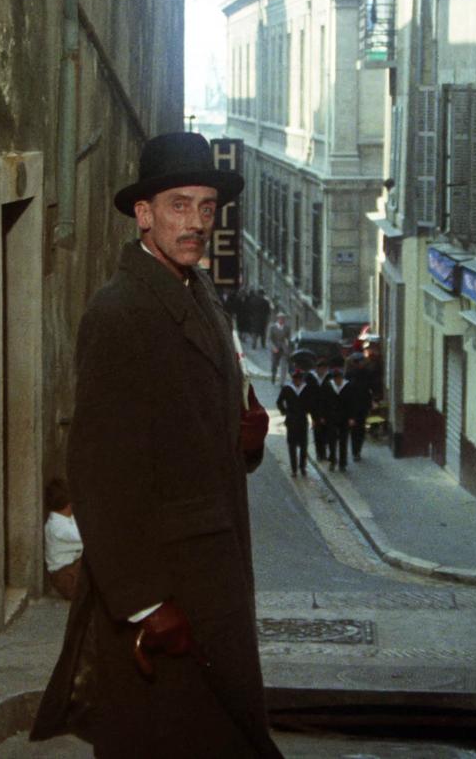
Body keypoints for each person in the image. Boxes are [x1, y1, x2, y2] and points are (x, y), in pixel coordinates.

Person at [30, 132, 282, 759]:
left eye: (206, 207)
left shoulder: (202, 298)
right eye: (177, 205)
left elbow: (193, 432)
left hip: (211, 581)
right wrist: (145, 603)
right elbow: (99, 471)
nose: (195, 222)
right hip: (164, 596)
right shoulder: (120, 314)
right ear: (143, 215)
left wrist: (244, 438)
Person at [44, 478, 83, 600]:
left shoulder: (64, 520)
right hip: (66, 577)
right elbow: (90, 537)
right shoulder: (59, 528)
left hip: (70, 571)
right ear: (69, 505)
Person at [276, 367, 314, 477]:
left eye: (299, 379)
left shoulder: (306, 389)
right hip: (291, 420)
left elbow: (311, 402)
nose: (297, 381)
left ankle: (302, 467)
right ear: (293, 379)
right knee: (292, 446)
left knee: (303, 446)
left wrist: (309, 413)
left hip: (302, 420)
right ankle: (294, 469)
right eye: (295, 379)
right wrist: (284, 411)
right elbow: (279, 401)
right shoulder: (287, 388)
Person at [345, 353, 375, 462]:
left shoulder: (367, 373)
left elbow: (371, 387)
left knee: (361, 428)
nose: (361, 364)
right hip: (352, 405)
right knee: (354, 429)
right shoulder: (349, 374)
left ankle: (358, 450)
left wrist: (373, 400)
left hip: (363, 404)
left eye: (362, 362)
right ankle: (355, 451)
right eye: (359, 362)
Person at [307, 356, 330, 464]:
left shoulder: (329, 378)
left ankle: (324, 452)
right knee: (317, 432)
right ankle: (319, 453)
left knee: (326, 433)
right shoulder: (311, 378)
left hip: (327, 410)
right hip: (315, 410)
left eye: (323, 368)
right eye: (320, 368)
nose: (321, 371)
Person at [267, 313, 290, 384]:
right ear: (278, 319)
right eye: (280, 319)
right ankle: (273, 376)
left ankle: (281, 382)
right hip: (275, 349)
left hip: (283, 349)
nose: (282, 320)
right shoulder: (272, 327)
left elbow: (288, 338)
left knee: (284, 366)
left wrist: (287, 344)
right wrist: (273, 347)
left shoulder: (287, 328)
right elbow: (270, 339)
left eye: (283, 319)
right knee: (274, 364)